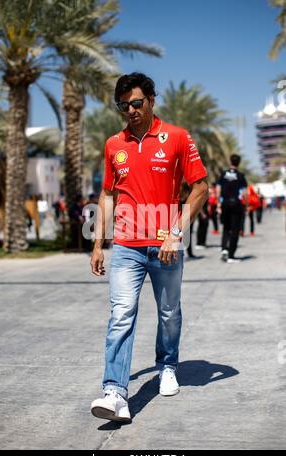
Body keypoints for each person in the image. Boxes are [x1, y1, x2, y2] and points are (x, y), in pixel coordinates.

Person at [90, 72, 208, 422]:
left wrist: (175, 233)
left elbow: (200, 187)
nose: (131, 110)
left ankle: (168, 365)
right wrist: (98, 243)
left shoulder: (176, 138)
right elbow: (108, 194)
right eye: (123, 105)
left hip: (166, 246)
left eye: (137, 103)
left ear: (151, 101)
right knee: (121, 314)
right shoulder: (114, 144)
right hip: (126, 246)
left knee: (169, 312)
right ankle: (115, 392)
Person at [217, 154, 247, 263]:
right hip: (236, 205)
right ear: (238, 162)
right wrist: (246, 206)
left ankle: (224, 249)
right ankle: (231, 255)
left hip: (224, 204)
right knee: (235, 230)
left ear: (230, 161)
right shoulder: (240, 175)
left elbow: (218, 189)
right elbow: (244, 193)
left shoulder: (223, 174)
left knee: (226, 228)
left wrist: (218, 204)